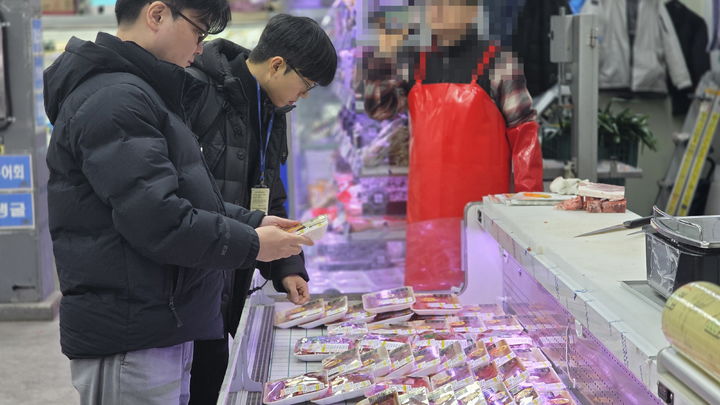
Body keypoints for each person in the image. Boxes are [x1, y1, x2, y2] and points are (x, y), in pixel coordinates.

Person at [43, 1, 312, 404]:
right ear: (156, 15)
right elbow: (159, 220)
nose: (201, 48)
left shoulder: (145, 93)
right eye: (198, 32)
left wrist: (253, 221)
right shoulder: (115, 99)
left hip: (160, 322)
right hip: (133, 333)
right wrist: (254, 244)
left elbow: (184, 197)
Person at [185, 14, 337, 404]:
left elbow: (270, 195)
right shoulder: (202, 92)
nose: (303, 96)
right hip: (193, 277)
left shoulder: (272, 109)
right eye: (305, 85)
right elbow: (187, 197)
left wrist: (288, 267)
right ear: (277, 65)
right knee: (198, 381)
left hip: (232, 272)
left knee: (217, 376)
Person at [366, 0, 543, 290]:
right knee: (426, 304)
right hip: (425, 220)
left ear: (472, 10)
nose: (436, 9)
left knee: (485, 298)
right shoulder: (413, 63)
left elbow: (525, 134)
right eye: (431, 3)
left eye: (448, 2)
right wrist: (384, 53)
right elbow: (378, 108)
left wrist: (528, 207)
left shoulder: (500, 62)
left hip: (482, 217)